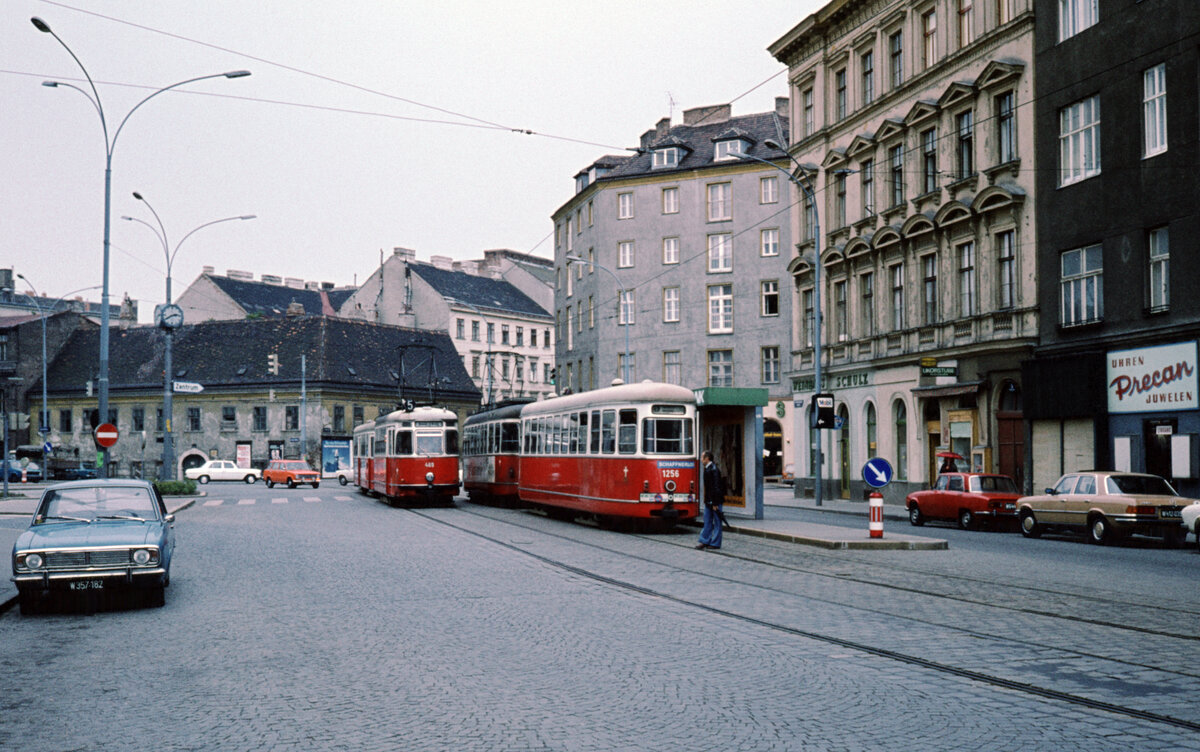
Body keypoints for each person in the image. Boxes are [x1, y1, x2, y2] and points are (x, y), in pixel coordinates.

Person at [696, 450, 725, 550]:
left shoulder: (714, 470)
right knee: (707, 520)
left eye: (702, 457)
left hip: (714, 501)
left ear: (707, 458)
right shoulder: (708, 469)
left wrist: (715, 502)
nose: (701, 459)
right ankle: (704, 541)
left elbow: (716, 487)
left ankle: (715, 543)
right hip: (709, 501)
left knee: (717, 521)